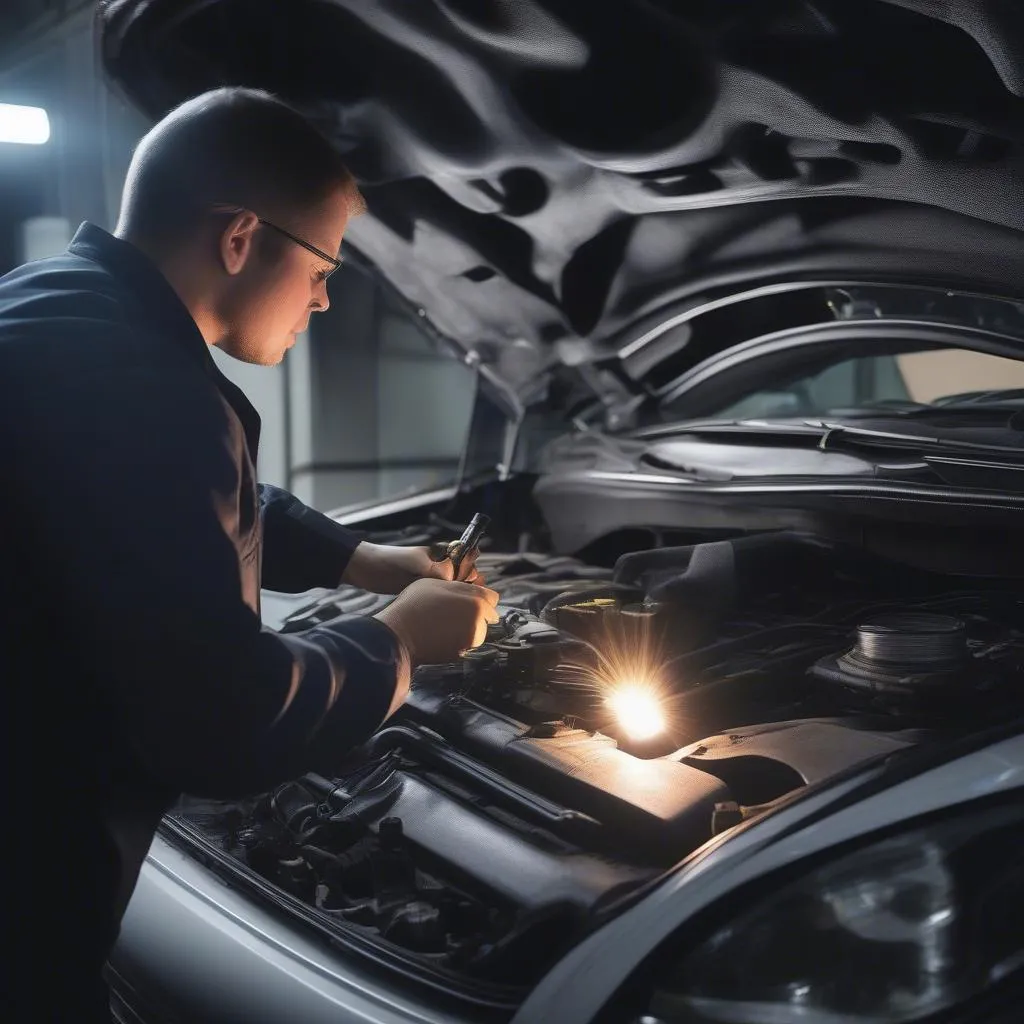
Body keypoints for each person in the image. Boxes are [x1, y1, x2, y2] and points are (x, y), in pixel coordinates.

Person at [0, 87, 499, 1021]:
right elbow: (221, 721)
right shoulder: (156, 394)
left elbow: (146, 503)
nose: (321, 296)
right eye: (322, 267)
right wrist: (398, 641)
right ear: (240, 238)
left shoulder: (52, 307)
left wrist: (359, 557)